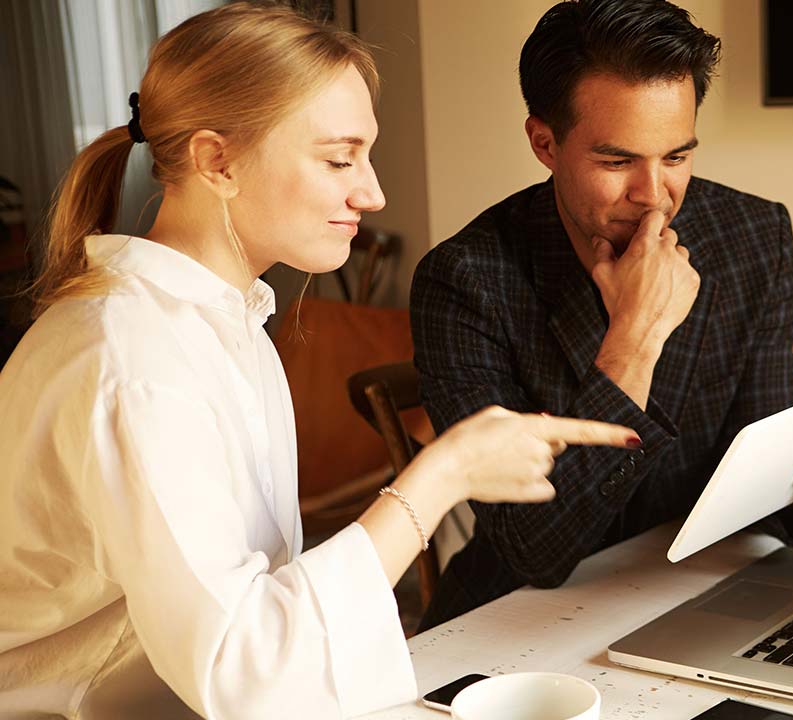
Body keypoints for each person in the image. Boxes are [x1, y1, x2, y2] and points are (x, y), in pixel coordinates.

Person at [0, 4, 638, 719]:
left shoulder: (228, 323)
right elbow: (241, 671)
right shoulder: (134, 360)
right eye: (339, 158)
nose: (372, 193)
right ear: (219, 161)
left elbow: (250, 618)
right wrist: (439, 477)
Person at [410, 0, 793, 631]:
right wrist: (633, 342)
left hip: (692, 588)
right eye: (617, 161)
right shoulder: (464, 281)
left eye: (677, 157)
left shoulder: (754, 236)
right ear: (544, 143)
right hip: (517, 619)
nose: (654, 195)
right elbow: (535, 549)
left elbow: (759, 470)